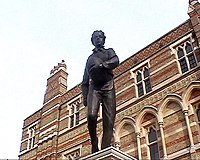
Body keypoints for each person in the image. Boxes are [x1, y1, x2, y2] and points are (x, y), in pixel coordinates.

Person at [81, 30, 119, 153]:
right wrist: (85, 97)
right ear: (92, 41)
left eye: (100, 37)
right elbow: (85, 81)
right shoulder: (90, 59)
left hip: (108, 86)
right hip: (95, 88)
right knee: (91, 116)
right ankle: (94, 142)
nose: (98, 39)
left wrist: (102, 65)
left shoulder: (109, 52)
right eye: (95, 38)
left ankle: (105, 148)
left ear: (104, 39)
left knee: (109, 120)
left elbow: (116, 60)